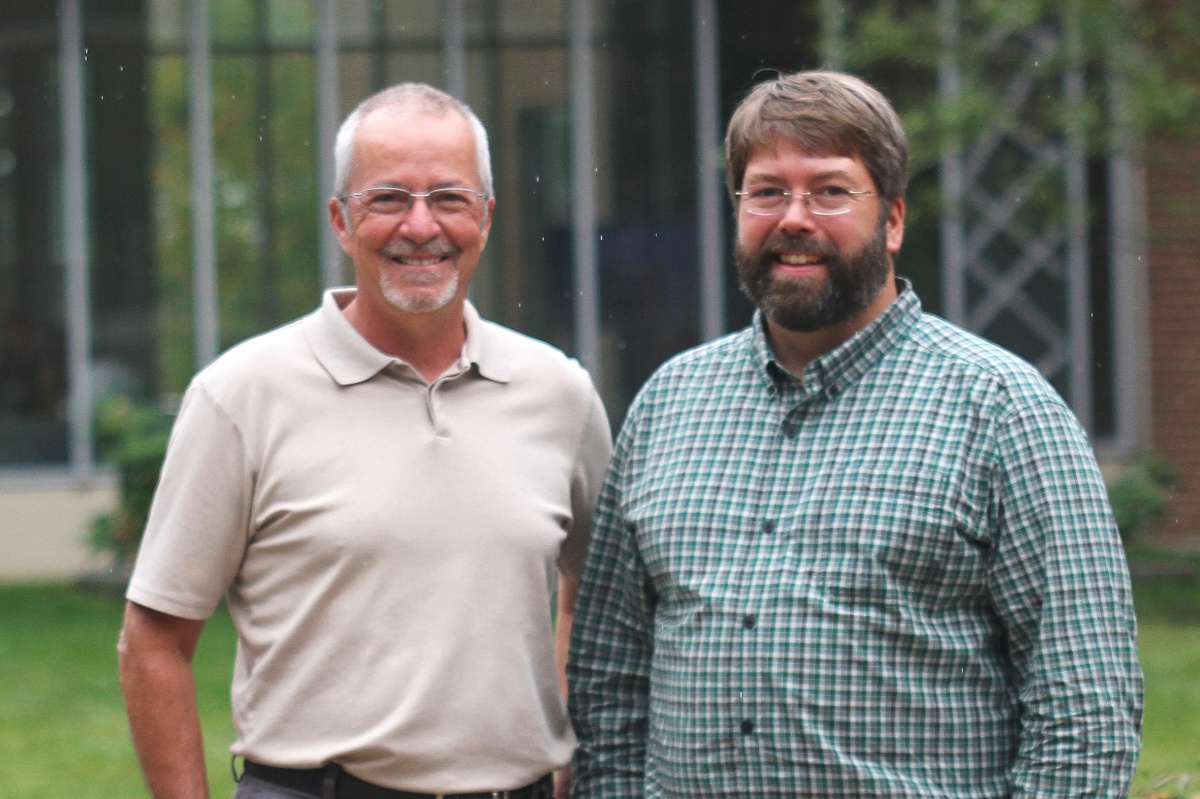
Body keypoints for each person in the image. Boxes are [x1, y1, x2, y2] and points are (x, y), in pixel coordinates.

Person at [567, 70, 1142, 798]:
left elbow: (1085, 707)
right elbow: (610, 679)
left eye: (831, 191)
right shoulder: (668, 404)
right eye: (767, 190)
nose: (794, 218)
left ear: (894, 219)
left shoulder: (1003, 410)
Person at [118, 82, 611, 799]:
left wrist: (567, 765)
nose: (420, 226)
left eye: (449, 197)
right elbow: (153, 642)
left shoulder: (558, 392)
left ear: (486, 216)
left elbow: (591, 597)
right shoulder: (242, 395)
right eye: (386, 199)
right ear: (341, 222)